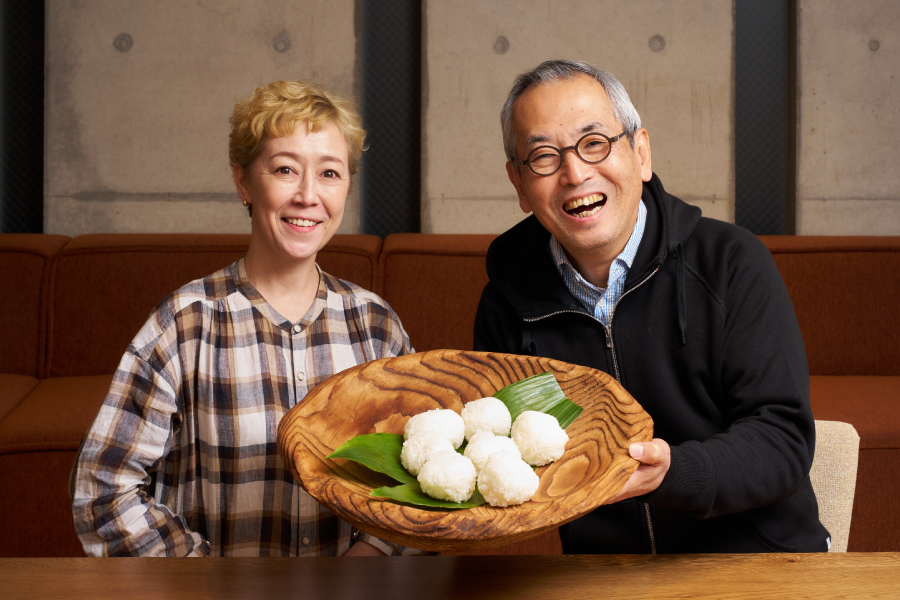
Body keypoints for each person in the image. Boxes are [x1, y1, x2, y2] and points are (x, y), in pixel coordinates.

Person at [474, 59, 829, 554]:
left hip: (754, 561)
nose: (575, 173)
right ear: (518, 183)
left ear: (640, 152)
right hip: (606, 572)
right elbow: (510, 457)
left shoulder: (730, 262)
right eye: (543, 157)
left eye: (594, 143)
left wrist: (674, 473)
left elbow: (782, 439)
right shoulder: (507, 302)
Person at [71, 80, 417, 557]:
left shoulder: (376, 326)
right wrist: (204, 579)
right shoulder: (183, 324)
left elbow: (424, 473)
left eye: (330, 174)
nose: (307, 195)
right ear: (243, 182)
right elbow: (103, 491)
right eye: (284, 169)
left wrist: (373, 554)